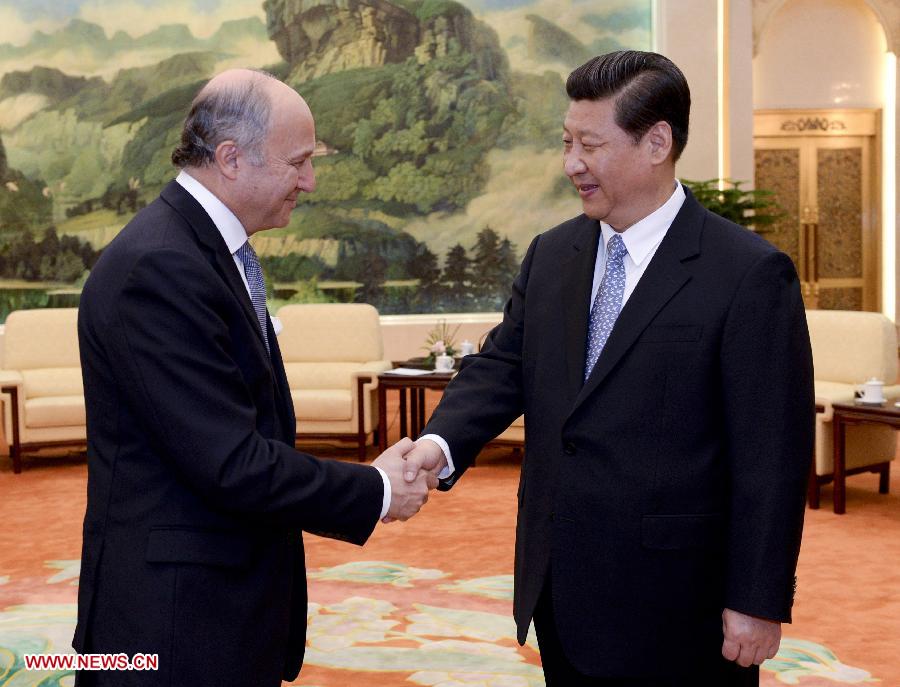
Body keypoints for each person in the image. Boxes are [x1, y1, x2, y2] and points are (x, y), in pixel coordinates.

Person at [401, 51, 814, 685]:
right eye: (567, 143)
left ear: (656, 143)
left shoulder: (748, 274)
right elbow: (504, 365)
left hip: (679, 607)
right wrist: (438, 442)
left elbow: (772, 454)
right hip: (560, 590)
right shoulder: (553, 254)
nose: (571, 164)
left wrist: (757, 600)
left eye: (589, 146)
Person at [73, 69, 434, 687]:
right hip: (174, 624)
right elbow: (231, 462)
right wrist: (373, 490)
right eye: (298, 162)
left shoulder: (198, 247)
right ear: (231, 159)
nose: (310, 181)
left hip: (214, 603)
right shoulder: (161, 266)